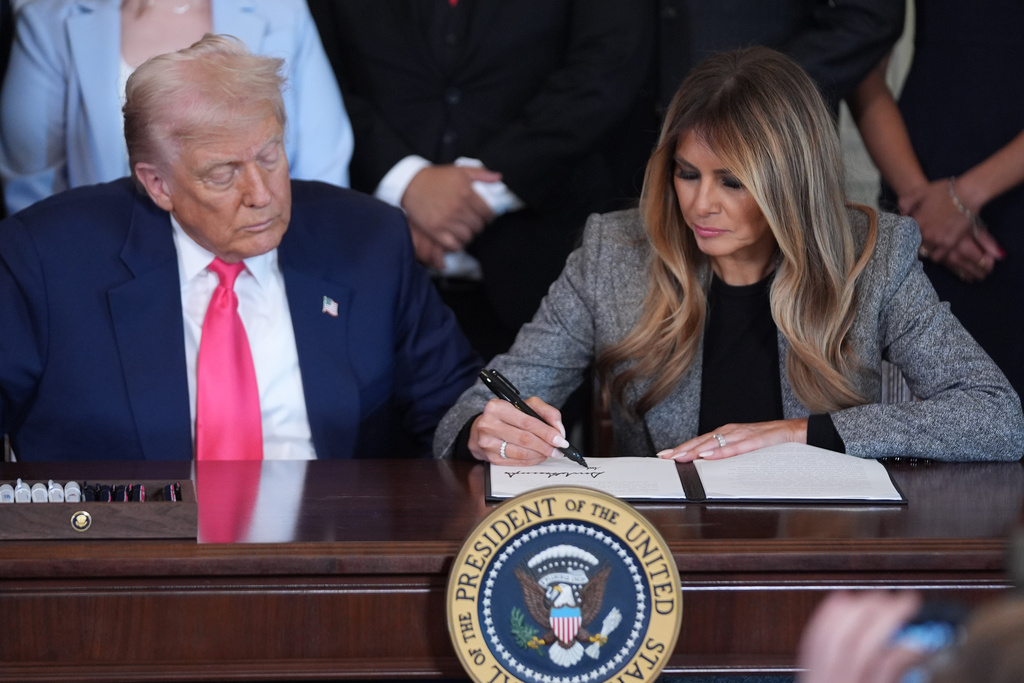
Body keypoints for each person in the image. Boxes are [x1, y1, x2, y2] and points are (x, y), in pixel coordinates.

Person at [433, 46, 1024, 465]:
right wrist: (487, 434)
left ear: (790, 182)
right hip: (671, 554)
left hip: (828, 550)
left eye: (733, 182)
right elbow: (467, 414)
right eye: (688, 174)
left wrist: (801, 435)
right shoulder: (614, 254)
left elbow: (997, 416)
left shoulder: (873, 256)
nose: (700, 205)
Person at [0, 34, 479, 462]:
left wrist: (484, 431)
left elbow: (452, 409)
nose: (261, 193)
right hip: (127, 549)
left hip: (332, 544)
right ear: (157, 184)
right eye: (222, 173)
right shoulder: (46, 259)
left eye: (270, 156)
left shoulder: (368, 238)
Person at [307, 0, 653, 360]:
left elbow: (607, 64)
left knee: (530, 415)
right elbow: (310, 68)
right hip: (366, 268)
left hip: (539, 265)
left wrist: (480, 192)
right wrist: (406, 182)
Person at [0, 0, 353, 215]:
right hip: (104, 271)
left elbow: (324, 171)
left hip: (262, 266)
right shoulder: (48, 22)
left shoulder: (282, 12)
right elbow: (33, 188)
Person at [848, 1, 1024, 397]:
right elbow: (862, 48)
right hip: (921, 187)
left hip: (985, 195)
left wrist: (964, 196)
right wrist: (920, 202)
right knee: (919, 424)